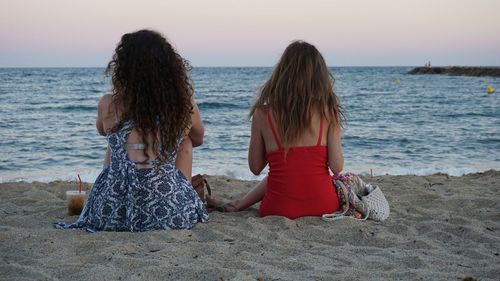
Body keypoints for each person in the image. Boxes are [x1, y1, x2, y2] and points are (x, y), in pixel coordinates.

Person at [55, 29, 208, 231]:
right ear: (169, 68)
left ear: (122, 68)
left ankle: (119, 193)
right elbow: (197, 139)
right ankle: (177, 193)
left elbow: (102, 130)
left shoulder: (108, 104)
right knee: (185, 140)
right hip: (170, 215)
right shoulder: (183, 105)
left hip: (108, 214)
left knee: (115, 142)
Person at [207, 41, 345, 219]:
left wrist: (277, 148)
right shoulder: (327, 112)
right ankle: (238, 204)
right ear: (319, 76)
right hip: (324, 206)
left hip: (277, 209)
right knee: (293, 172)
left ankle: (238, 205)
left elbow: (256, 168)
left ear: (282, 72)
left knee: (283, 172)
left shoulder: (262, 114)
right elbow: (337, 167)